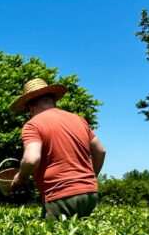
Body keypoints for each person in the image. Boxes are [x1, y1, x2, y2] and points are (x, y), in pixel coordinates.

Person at [9, 78, 107, 219]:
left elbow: (31, 159)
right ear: (53, 100)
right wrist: (89, 178)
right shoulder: (78, 119)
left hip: (60, 195)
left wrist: (20, 178)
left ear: (30, 107)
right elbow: (100, 151)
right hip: (90, 195)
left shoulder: (33, 125)